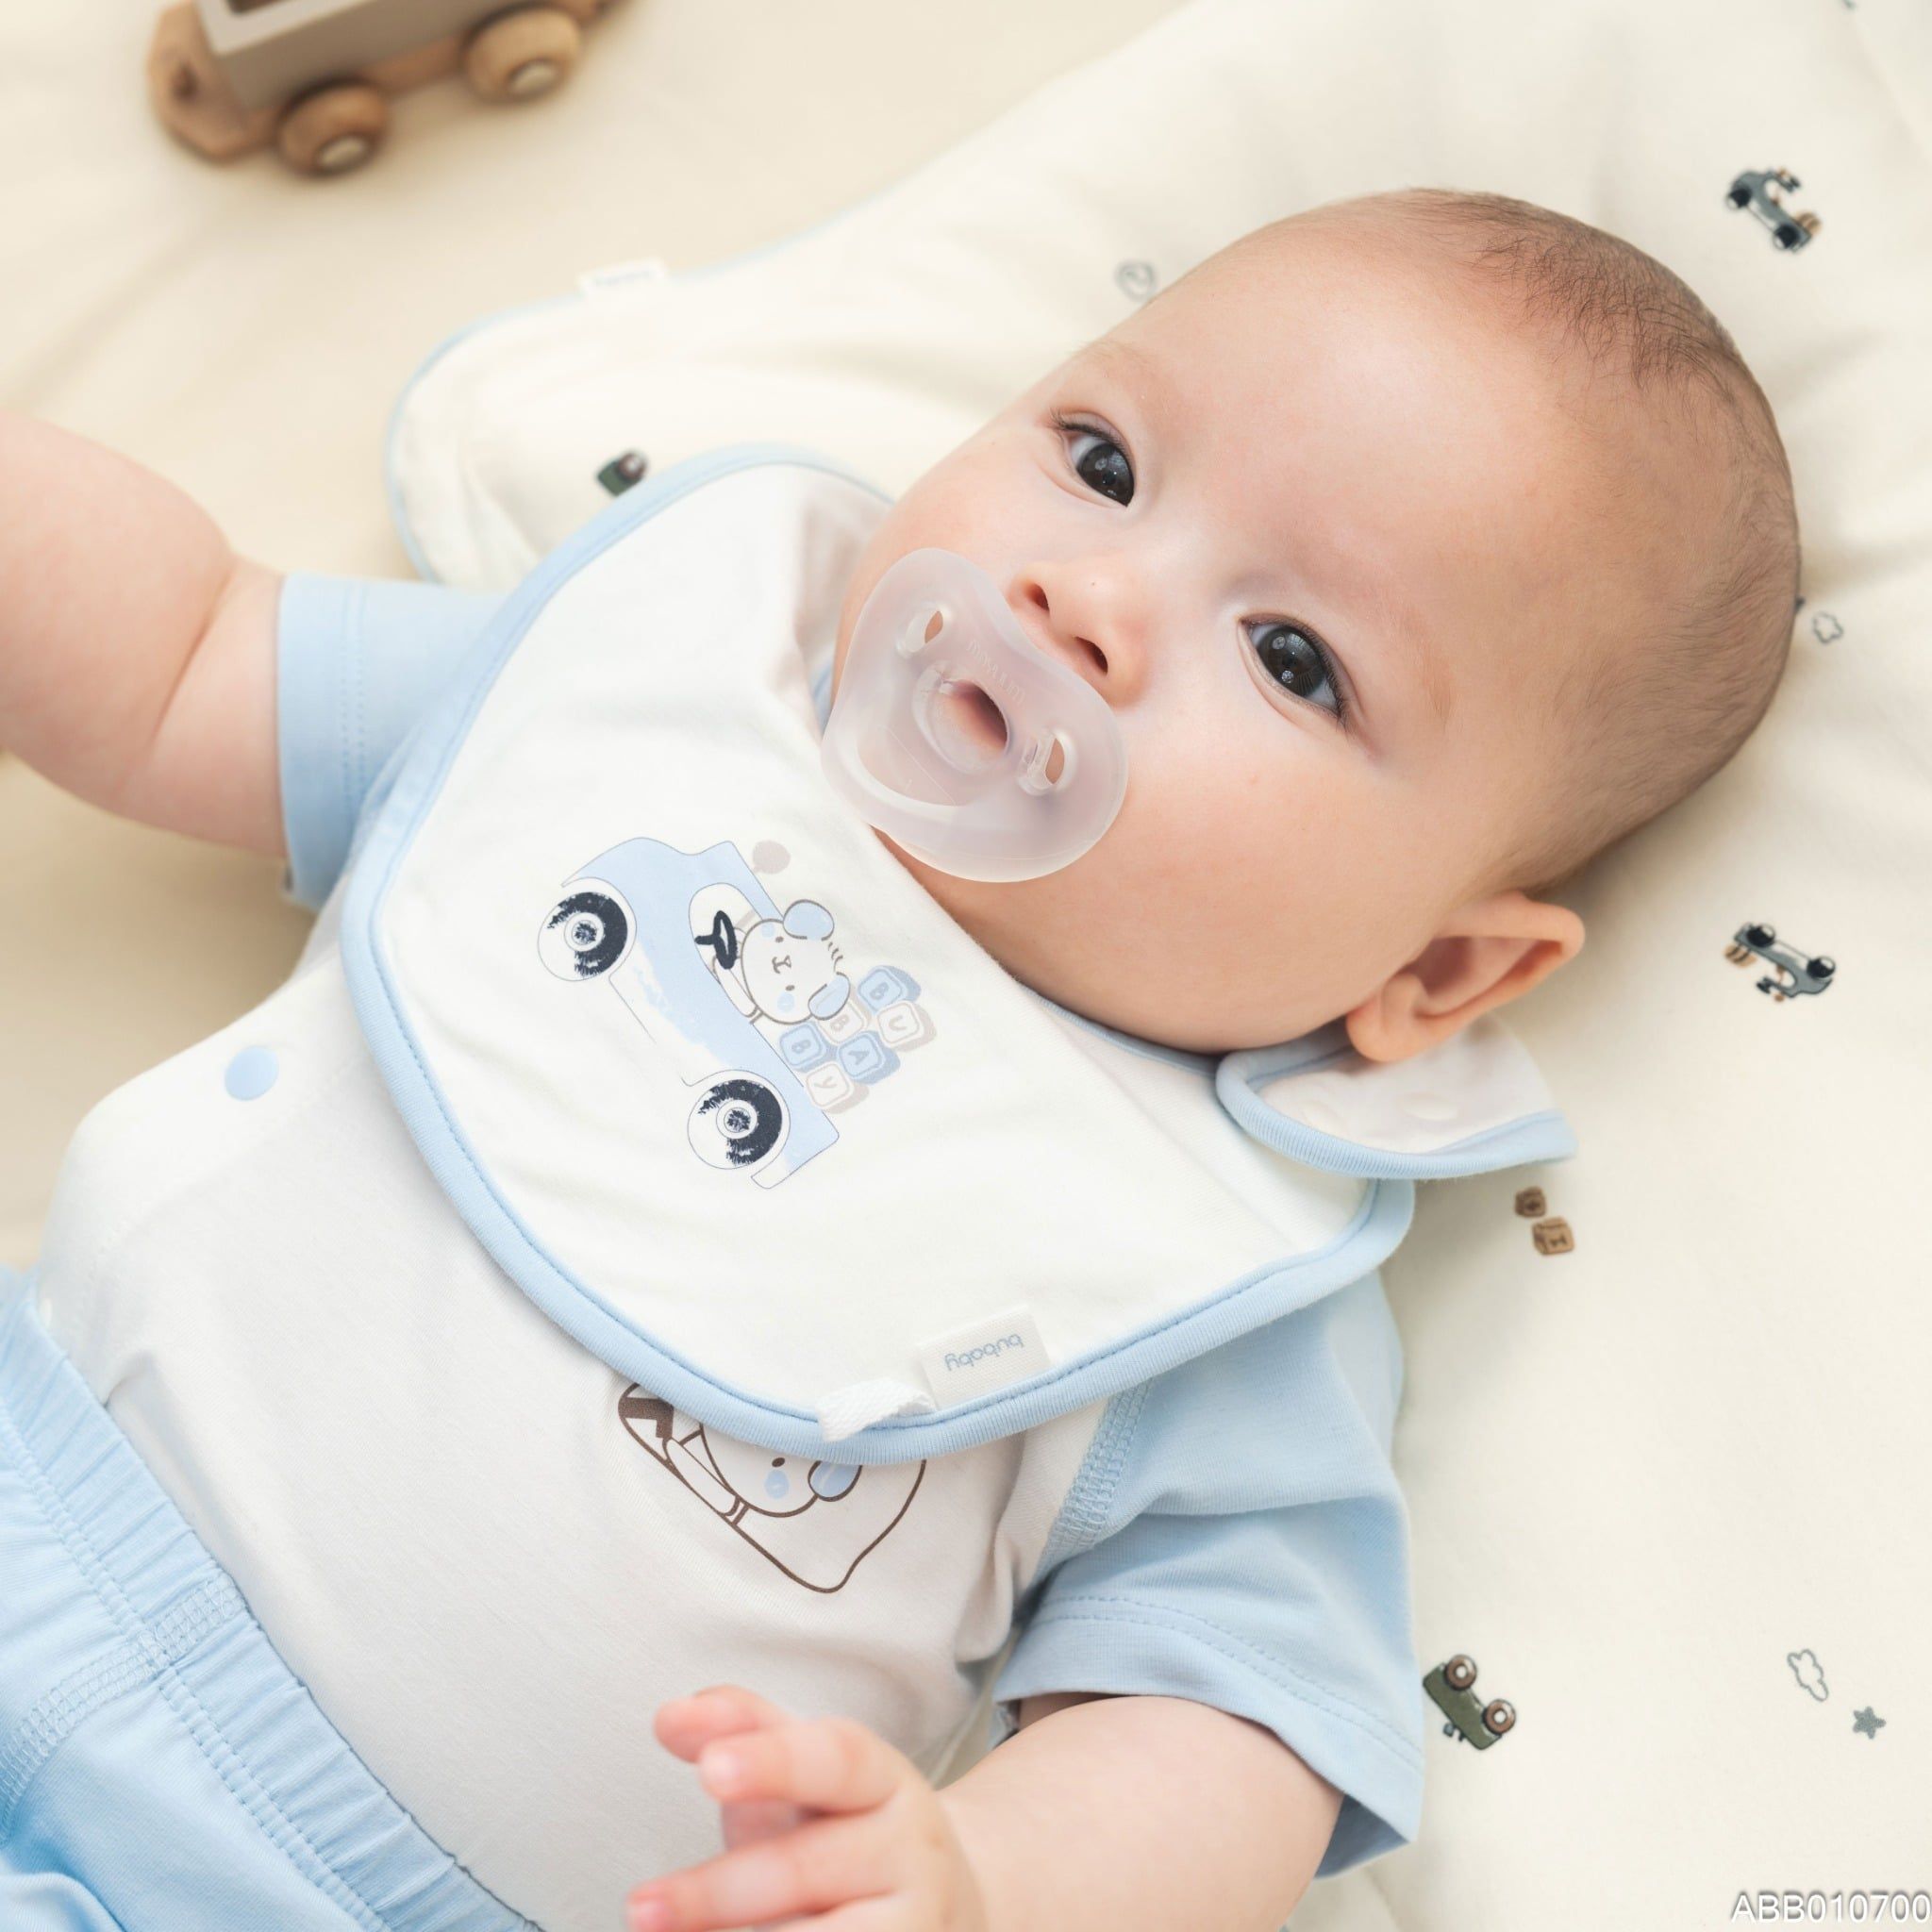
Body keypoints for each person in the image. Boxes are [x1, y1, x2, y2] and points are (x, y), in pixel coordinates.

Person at [0, 187, 1798, 1932]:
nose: (1087, 595)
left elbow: (1231, 1726)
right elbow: (188, 655)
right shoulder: (673, 685)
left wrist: (991, 1881)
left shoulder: (1201, 1274)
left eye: (1292, 659)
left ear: (1440, 969)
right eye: (1103, 462)